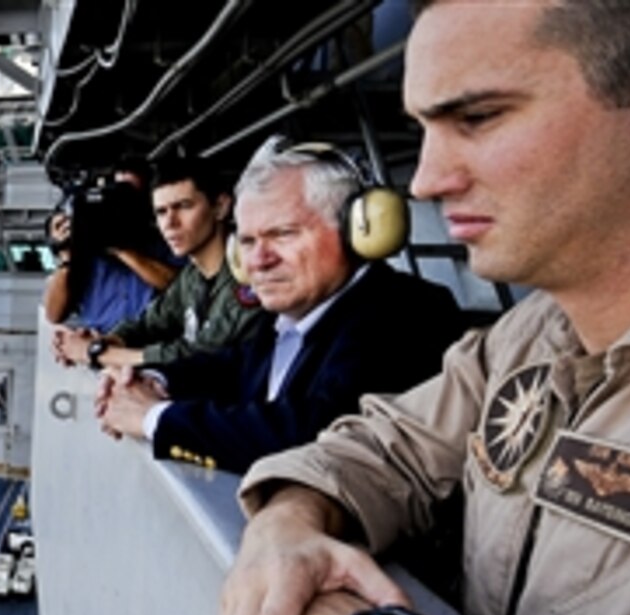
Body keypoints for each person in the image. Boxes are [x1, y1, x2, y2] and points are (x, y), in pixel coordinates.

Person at [216, 1, 630, 615]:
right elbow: (386, 445)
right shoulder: (530, 336)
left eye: (480, 117)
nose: (425, 181)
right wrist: (288, 523)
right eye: (422, 131)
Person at [95, 137, 464, 474]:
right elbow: (231, 366)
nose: (258, 261)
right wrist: (154, 380)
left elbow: (314, 432)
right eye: (249, 241)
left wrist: (154, 419)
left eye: (283, 234)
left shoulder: (406, 312)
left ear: (357, 231)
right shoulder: (294, 316)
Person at [55, 156, 264, 368]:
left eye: (183, 206)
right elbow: (147, 324)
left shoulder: (248, 273)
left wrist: (97, 354)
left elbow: (200, 355)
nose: (170, 223)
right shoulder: (192, 277)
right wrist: (104, 341)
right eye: (161, 212)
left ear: (220, 207)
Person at [42, 156, 180, 332]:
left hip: (153, 341)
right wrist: (66, 253)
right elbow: (54, 314)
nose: (118, 202)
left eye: (127, 195)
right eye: (113, 192)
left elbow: (179, 285)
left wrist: (120, 248)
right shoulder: (85, 246)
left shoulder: (163, 236)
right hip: (104, 346)